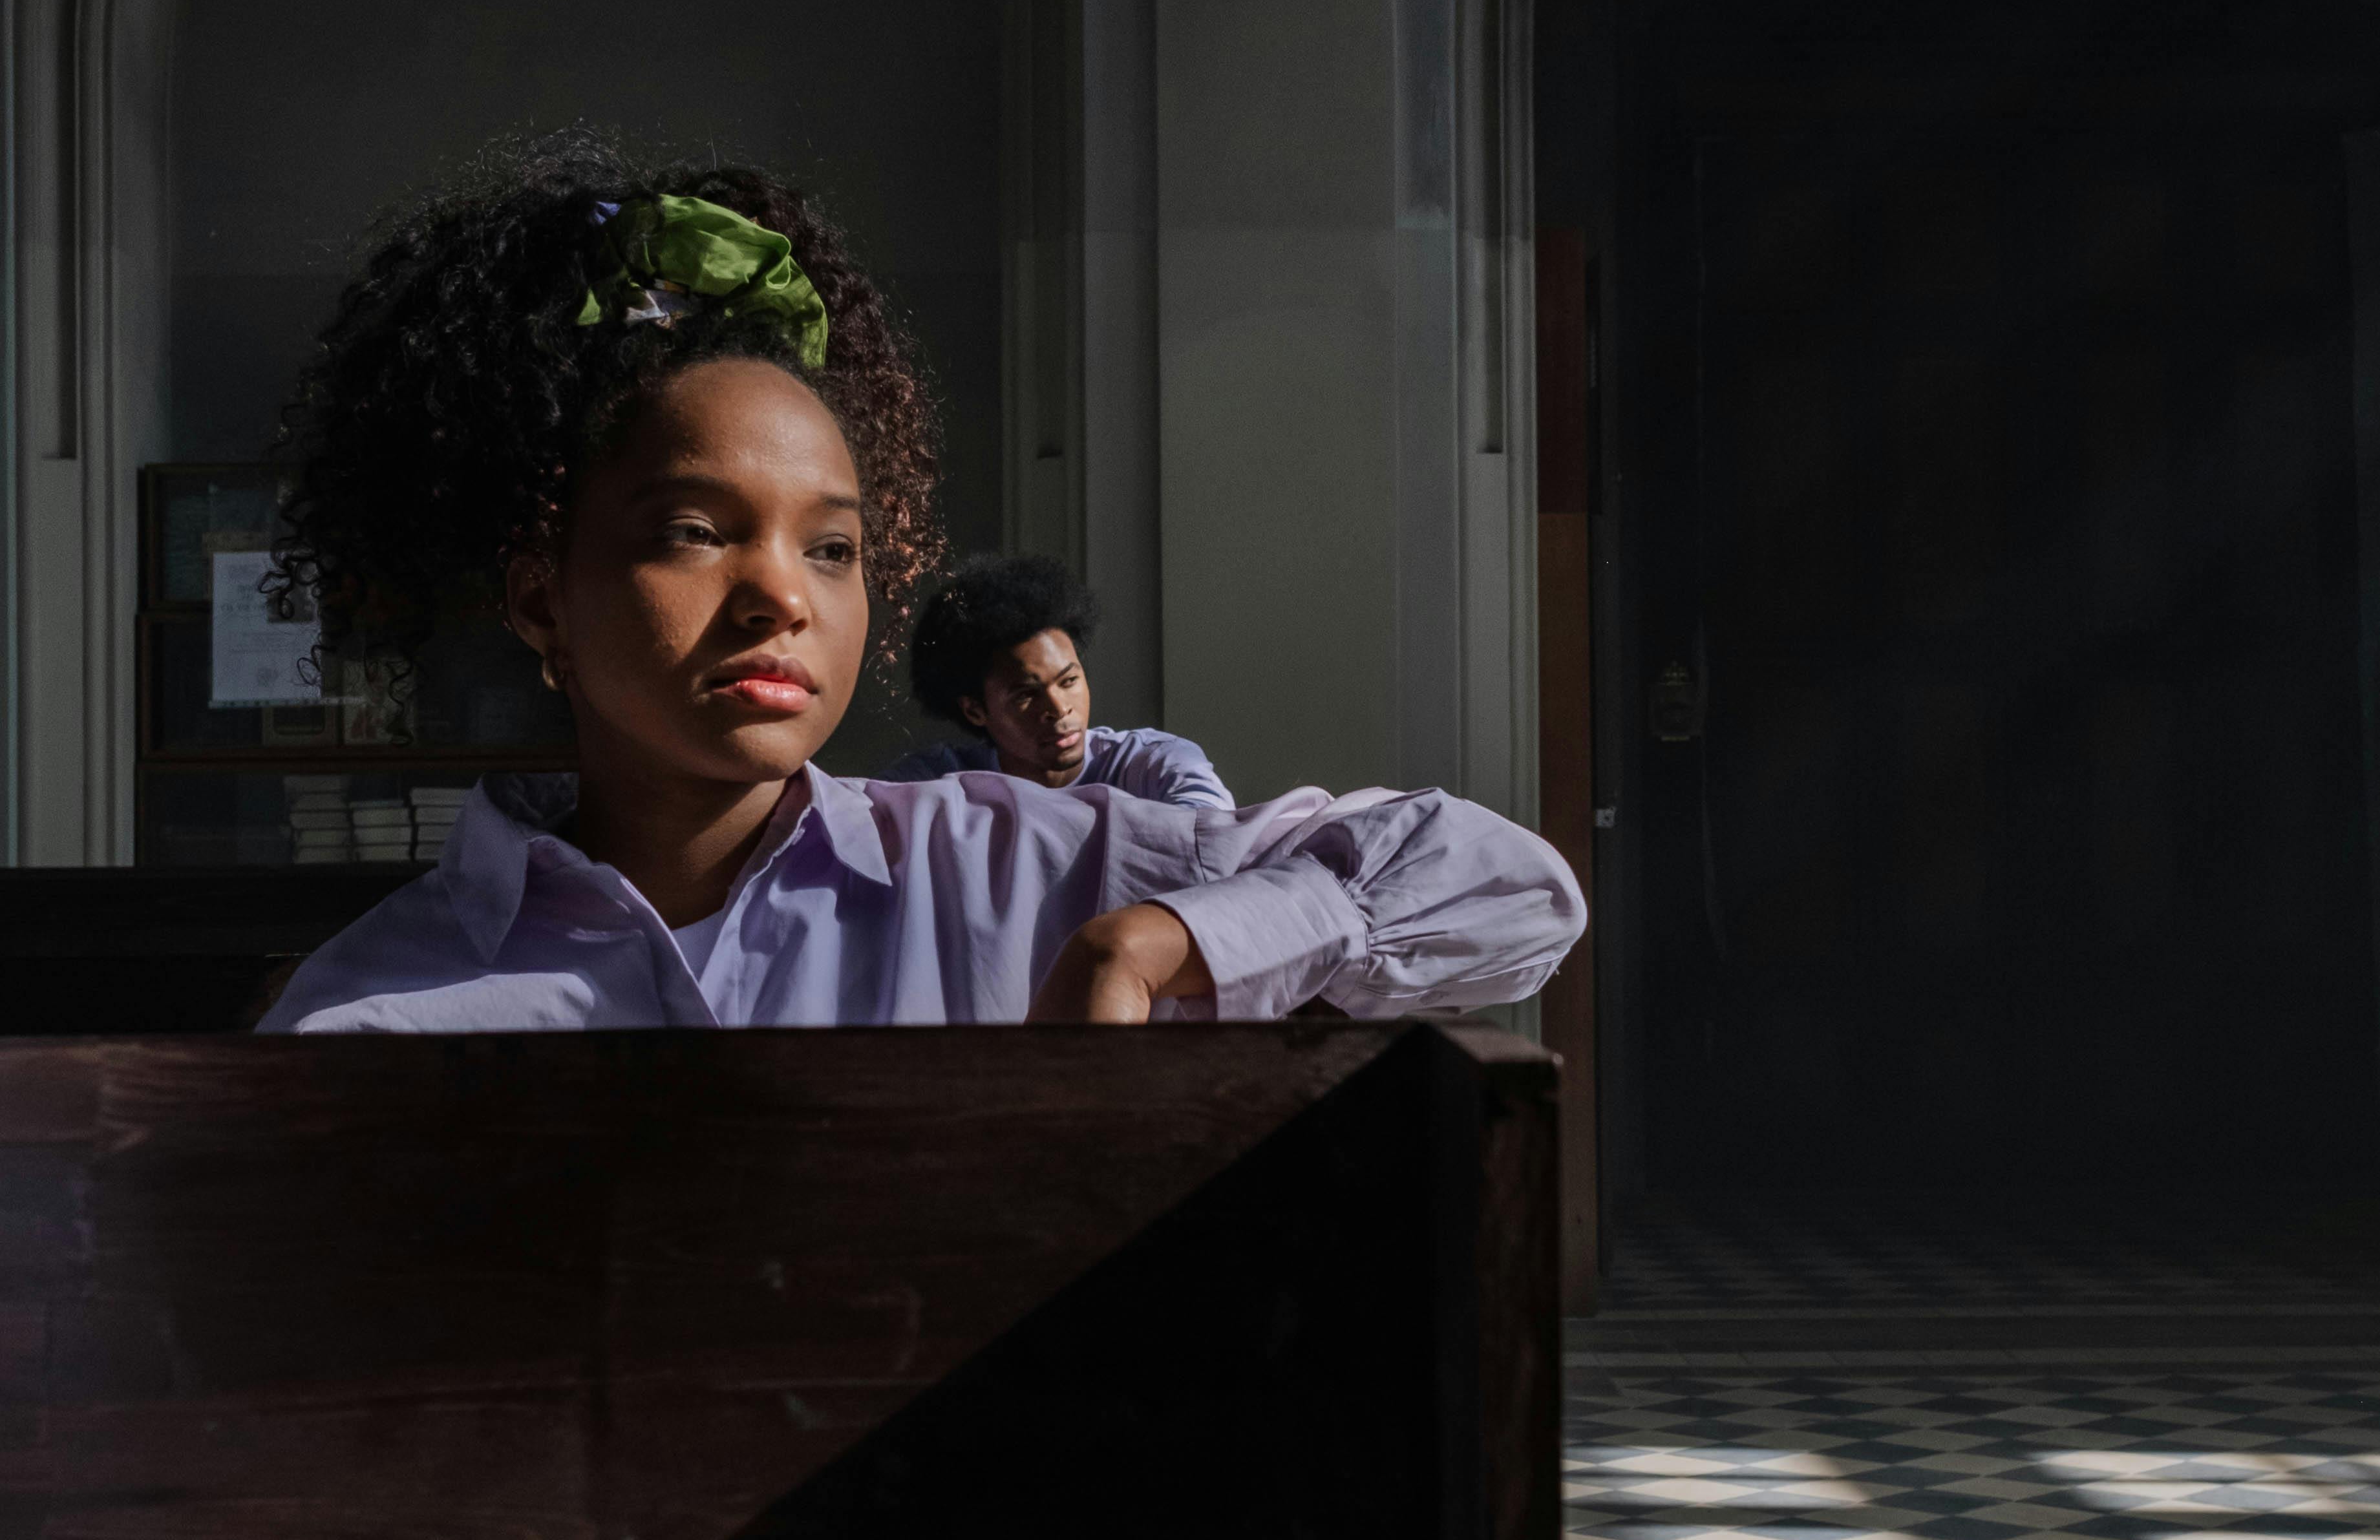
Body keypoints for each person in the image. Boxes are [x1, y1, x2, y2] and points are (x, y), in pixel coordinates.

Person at [257, 148, 1584, 1036]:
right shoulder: (367, 1009)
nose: (780, 596)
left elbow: (1508, 889)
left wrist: (1147, 947)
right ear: (541, 599)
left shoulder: (1011, 866)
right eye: (695, 531)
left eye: (829, 549)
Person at [886, 554, 1230, 810]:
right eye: (1027, 694)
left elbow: (1215, 837)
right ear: (976, 710)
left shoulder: (1152, 763)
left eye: (1069, 681)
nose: (1059, 708)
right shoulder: (934, 781)